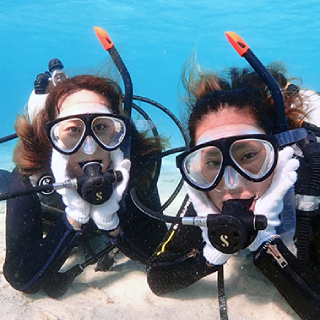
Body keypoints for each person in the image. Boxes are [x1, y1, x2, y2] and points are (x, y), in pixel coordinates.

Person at [147, 60, 320, 320]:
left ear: (279, 155)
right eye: (214, 161)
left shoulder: (309, 180)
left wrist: (263, 244)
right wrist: (212, 254)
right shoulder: (206, 193)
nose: (231, 183)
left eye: (248, 155)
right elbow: (158, 278)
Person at [3, 70, 168, 298]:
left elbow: (159, 251)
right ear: (53, 138)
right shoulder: (30, 179)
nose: (89, 149)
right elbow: (22, 278)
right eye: (73, 130)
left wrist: (113, 223)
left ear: (119, 133)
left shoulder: (135, 169)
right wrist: (73, 218)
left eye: (101, 127)